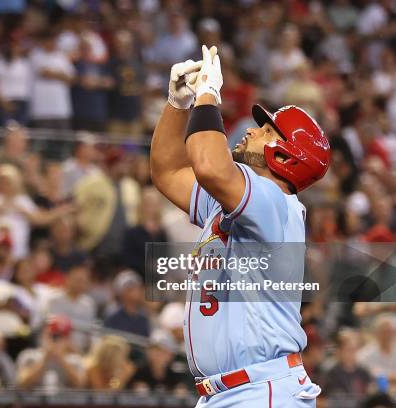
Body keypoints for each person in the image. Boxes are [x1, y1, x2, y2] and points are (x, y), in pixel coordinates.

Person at [150, 45, 330, 406]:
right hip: (230, 392)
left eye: (267, 130)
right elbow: (167, 172)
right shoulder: (238, 199)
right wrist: (178, 104)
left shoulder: (274, 203)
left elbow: (210, 167)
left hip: (260, 390)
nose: (252, 131)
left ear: (284, 157)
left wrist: (208, 94)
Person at [16, 315, 86, 389]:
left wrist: (61, 359)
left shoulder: (74, 360)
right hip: (34, 400)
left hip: (63, 400)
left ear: (67, 339)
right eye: (53, 335)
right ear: (44, 334)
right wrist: (44, 359)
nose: (56, 340)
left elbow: (80, 385)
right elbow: (22, 383)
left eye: (60, 336)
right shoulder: (29, 356)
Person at [104, 270, 150, 338]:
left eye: (137, 287)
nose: (136, 291)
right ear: (121, 292)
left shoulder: (143, 318)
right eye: (130, 288)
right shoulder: (112, 315)